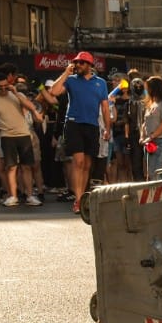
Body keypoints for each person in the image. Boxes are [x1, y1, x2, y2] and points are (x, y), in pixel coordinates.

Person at [47, 50, 110, 214]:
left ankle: (82, 197)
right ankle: (78, 199)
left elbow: (104, 107)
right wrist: (66, 72)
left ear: (89, 65)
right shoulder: (71, 80)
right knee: (78, 162)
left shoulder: (101, 83)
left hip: (92, 125)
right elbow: (53, 91)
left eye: (81, 63)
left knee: (88, 164)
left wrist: (107, 129)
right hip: (74, 124)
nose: (77, 65)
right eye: (76, 62)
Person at [0, 64, 44, 207]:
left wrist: (16, 92)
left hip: (24, 134)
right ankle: (13, 196)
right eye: (0, 87)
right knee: (11, 167)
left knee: (26, 166)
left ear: (8, 83)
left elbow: (29, 106)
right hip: (7, 136)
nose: (3, 89)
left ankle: (30, 195)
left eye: (5, 86)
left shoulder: (17, 95)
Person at [140, 76, 162, 175]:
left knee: (157, 171)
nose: (146, 91)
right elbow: (145, 123)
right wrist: (142, 136)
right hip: (149, 142)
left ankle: (160, 190)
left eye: (148, 88)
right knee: (150, 172)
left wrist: (152, 136)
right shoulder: (150, 105)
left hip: (160, 142)